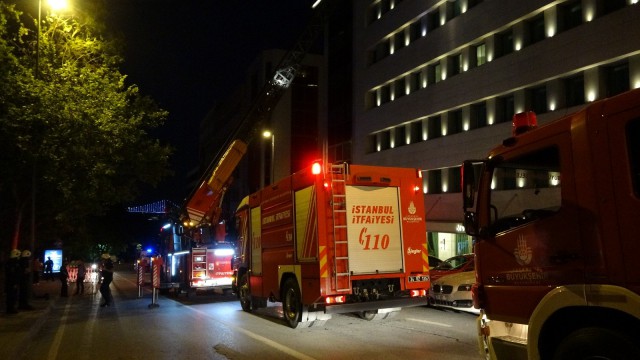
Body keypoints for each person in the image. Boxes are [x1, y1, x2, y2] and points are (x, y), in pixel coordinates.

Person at [4, 249, 22, 314]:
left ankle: (11, 308)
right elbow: (13, 274)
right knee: (12, 296)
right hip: (12, 283)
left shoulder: (10, 263)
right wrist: (14, 283)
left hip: (11, 282)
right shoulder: (13, 264)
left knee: (12, 296)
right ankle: (10, 309)